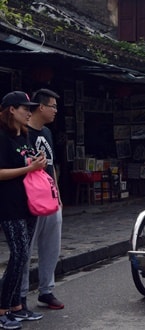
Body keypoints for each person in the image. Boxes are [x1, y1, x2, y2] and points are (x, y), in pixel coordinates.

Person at [0, 91, 46, 328]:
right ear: (11, 110)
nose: (29, 112)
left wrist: (37, 163)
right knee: (17, 255)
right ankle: (1, 308)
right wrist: (28, 169)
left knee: (23, 256)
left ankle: (17, 306)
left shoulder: (23, 136)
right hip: (8, 205)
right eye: (25, 108)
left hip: (28, 203)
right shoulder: (3, 137)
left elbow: (27, 164)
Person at [20, 89, 64, 311]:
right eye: (53, 106)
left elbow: (51, 165)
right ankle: (20, 294)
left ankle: (46, 290)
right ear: (41, 107)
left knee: (51, 246)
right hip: (30, 198)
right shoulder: (22, 132)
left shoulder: (46, 132)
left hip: (50, 196)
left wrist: (57, 193)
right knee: (25, 248)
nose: (56, 111)